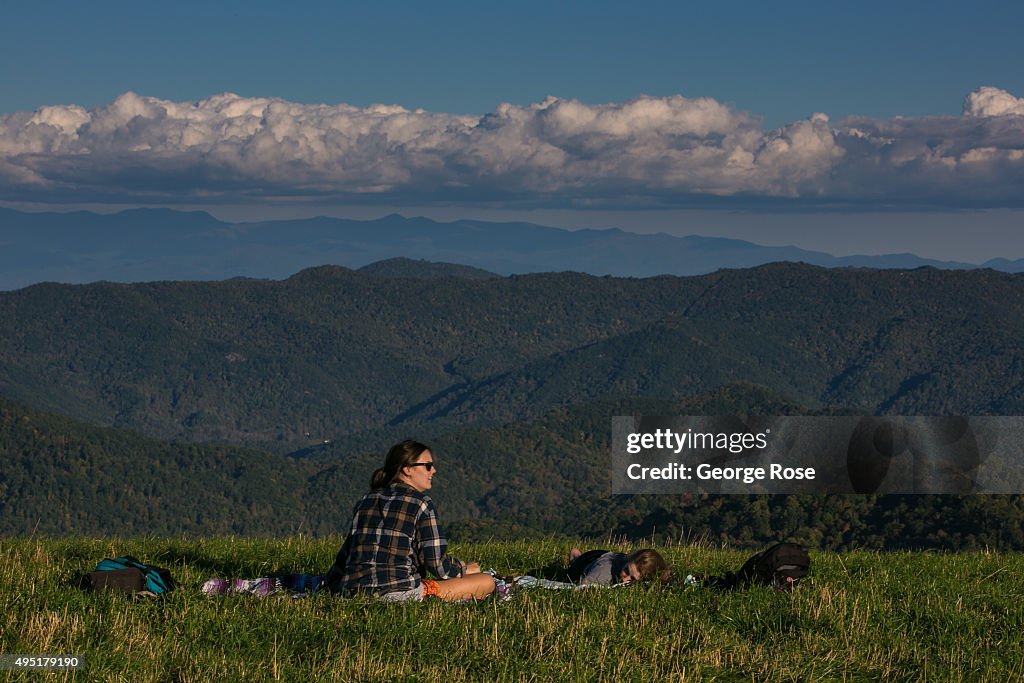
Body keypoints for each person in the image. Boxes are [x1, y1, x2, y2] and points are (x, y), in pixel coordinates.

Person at [325, 440, 495, 602]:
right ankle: (429, 592)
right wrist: (463, 570)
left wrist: (332, 583)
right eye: (428, 466)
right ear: (407, 469)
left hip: (352, 591)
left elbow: (347, 554)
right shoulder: (421, 504)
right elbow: (438, 567)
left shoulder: (366, 500)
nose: (433, 470)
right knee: (486, 582)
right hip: (399, 593)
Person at [565, 547, 671, 586]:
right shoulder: (603, 573)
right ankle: (575, 557)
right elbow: (582, 587)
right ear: (628, 560)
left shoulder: (631, 564)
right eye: (626, 571)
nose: (625, 579)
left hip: (606, 556)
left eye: (632, 578)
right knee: (573, 568)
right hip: (586, 562)